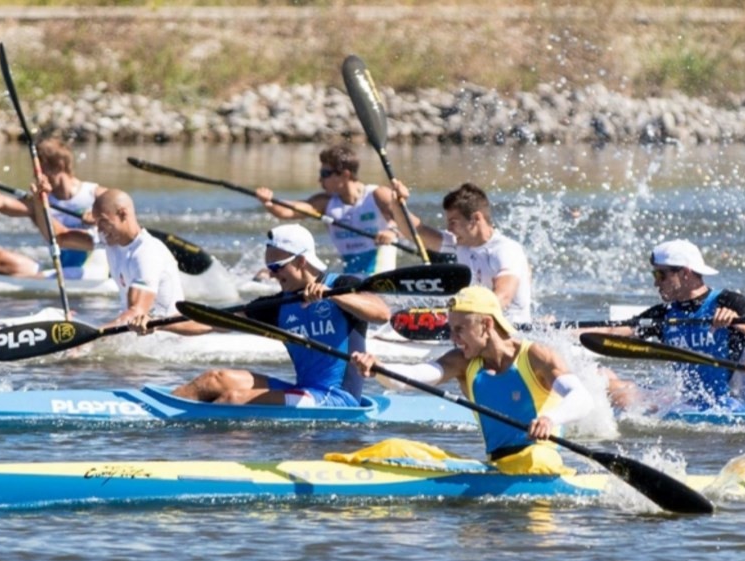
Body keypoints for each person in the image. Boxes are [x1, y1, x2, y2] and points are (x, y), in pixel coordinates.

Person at [351, 286, 593, 474]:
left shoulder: (536, 356)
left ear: (486, 325)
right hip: (497, 466)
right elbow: (413, 377)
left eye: (460, 330)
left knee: (537, 459)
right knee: (394, 447)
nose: (453, 339)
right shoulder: (463, 362)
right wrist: (379, 369)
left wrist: (551, 419)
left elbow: (582, 399)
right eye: (451, 330)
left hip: (541, 460)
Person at [169, 224, 390, 407]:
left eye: (276, 267)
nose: (272, 274)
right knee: (214, 380)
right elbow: (211, 322)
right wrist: (157, 324)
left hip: (338, 399)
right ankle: (162, 409)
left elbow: (381, 313)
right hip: (304, 392)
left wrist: (332, 297)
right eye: (269, 267)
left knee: (234, 399)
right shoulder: (278, 305)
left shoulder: (343, 285)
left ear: (301, 261)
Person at [601, 239, 745, 413]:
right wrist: (572, 332)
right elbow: (612, 332)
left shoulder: (729, 301)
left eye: (660, 275)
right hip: (686, 401)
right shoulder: (665, 314)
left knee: (625, 394)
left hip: (727, 406)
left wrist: (737, 322)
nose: (656, 282)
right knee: (606, 380)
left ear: (685, 273)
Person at [0, 137, 108, 279]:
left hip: (92, 273)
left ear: (59, 165)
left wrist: (101, 218)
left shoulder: (97, 195)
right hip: (60, 270)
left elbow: (124, 223)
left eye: (39, 167)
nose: (34, 174)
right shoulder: (39, 200)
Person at [392, 181, 534, 324]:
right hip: (477, 327)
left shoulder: (506, 250)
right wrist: (397, 204)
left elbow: (503, 297)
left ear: (476, 219)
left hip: (510, 330)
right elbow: (417, 232)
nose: (448, 228)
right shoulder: (461, 244)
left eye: (453, 222)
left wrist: (461, 317)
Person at [254, 144, 404, 275]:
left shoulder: (377, 195)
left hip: (381, 276)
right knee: (265, 275)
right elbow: (289, 211)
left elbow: (403, 221)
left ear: (345, 174)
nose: (320, 180)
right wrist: (269, 203)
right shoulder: (325, 203)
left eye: (325, 174)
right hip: (351, 278)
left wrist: (392, 231)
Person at [92, 189, 184, 330]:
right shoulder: (110, 241)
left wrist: (95, 335)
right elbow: (60, 237)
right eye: (96, 223)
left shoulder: (147, 253)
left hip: (167, 336)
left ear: (123, 213)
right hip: (133, 330)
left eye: (102, 221)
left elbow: (137, 311)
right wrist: (44, 203)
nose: (99, 229)